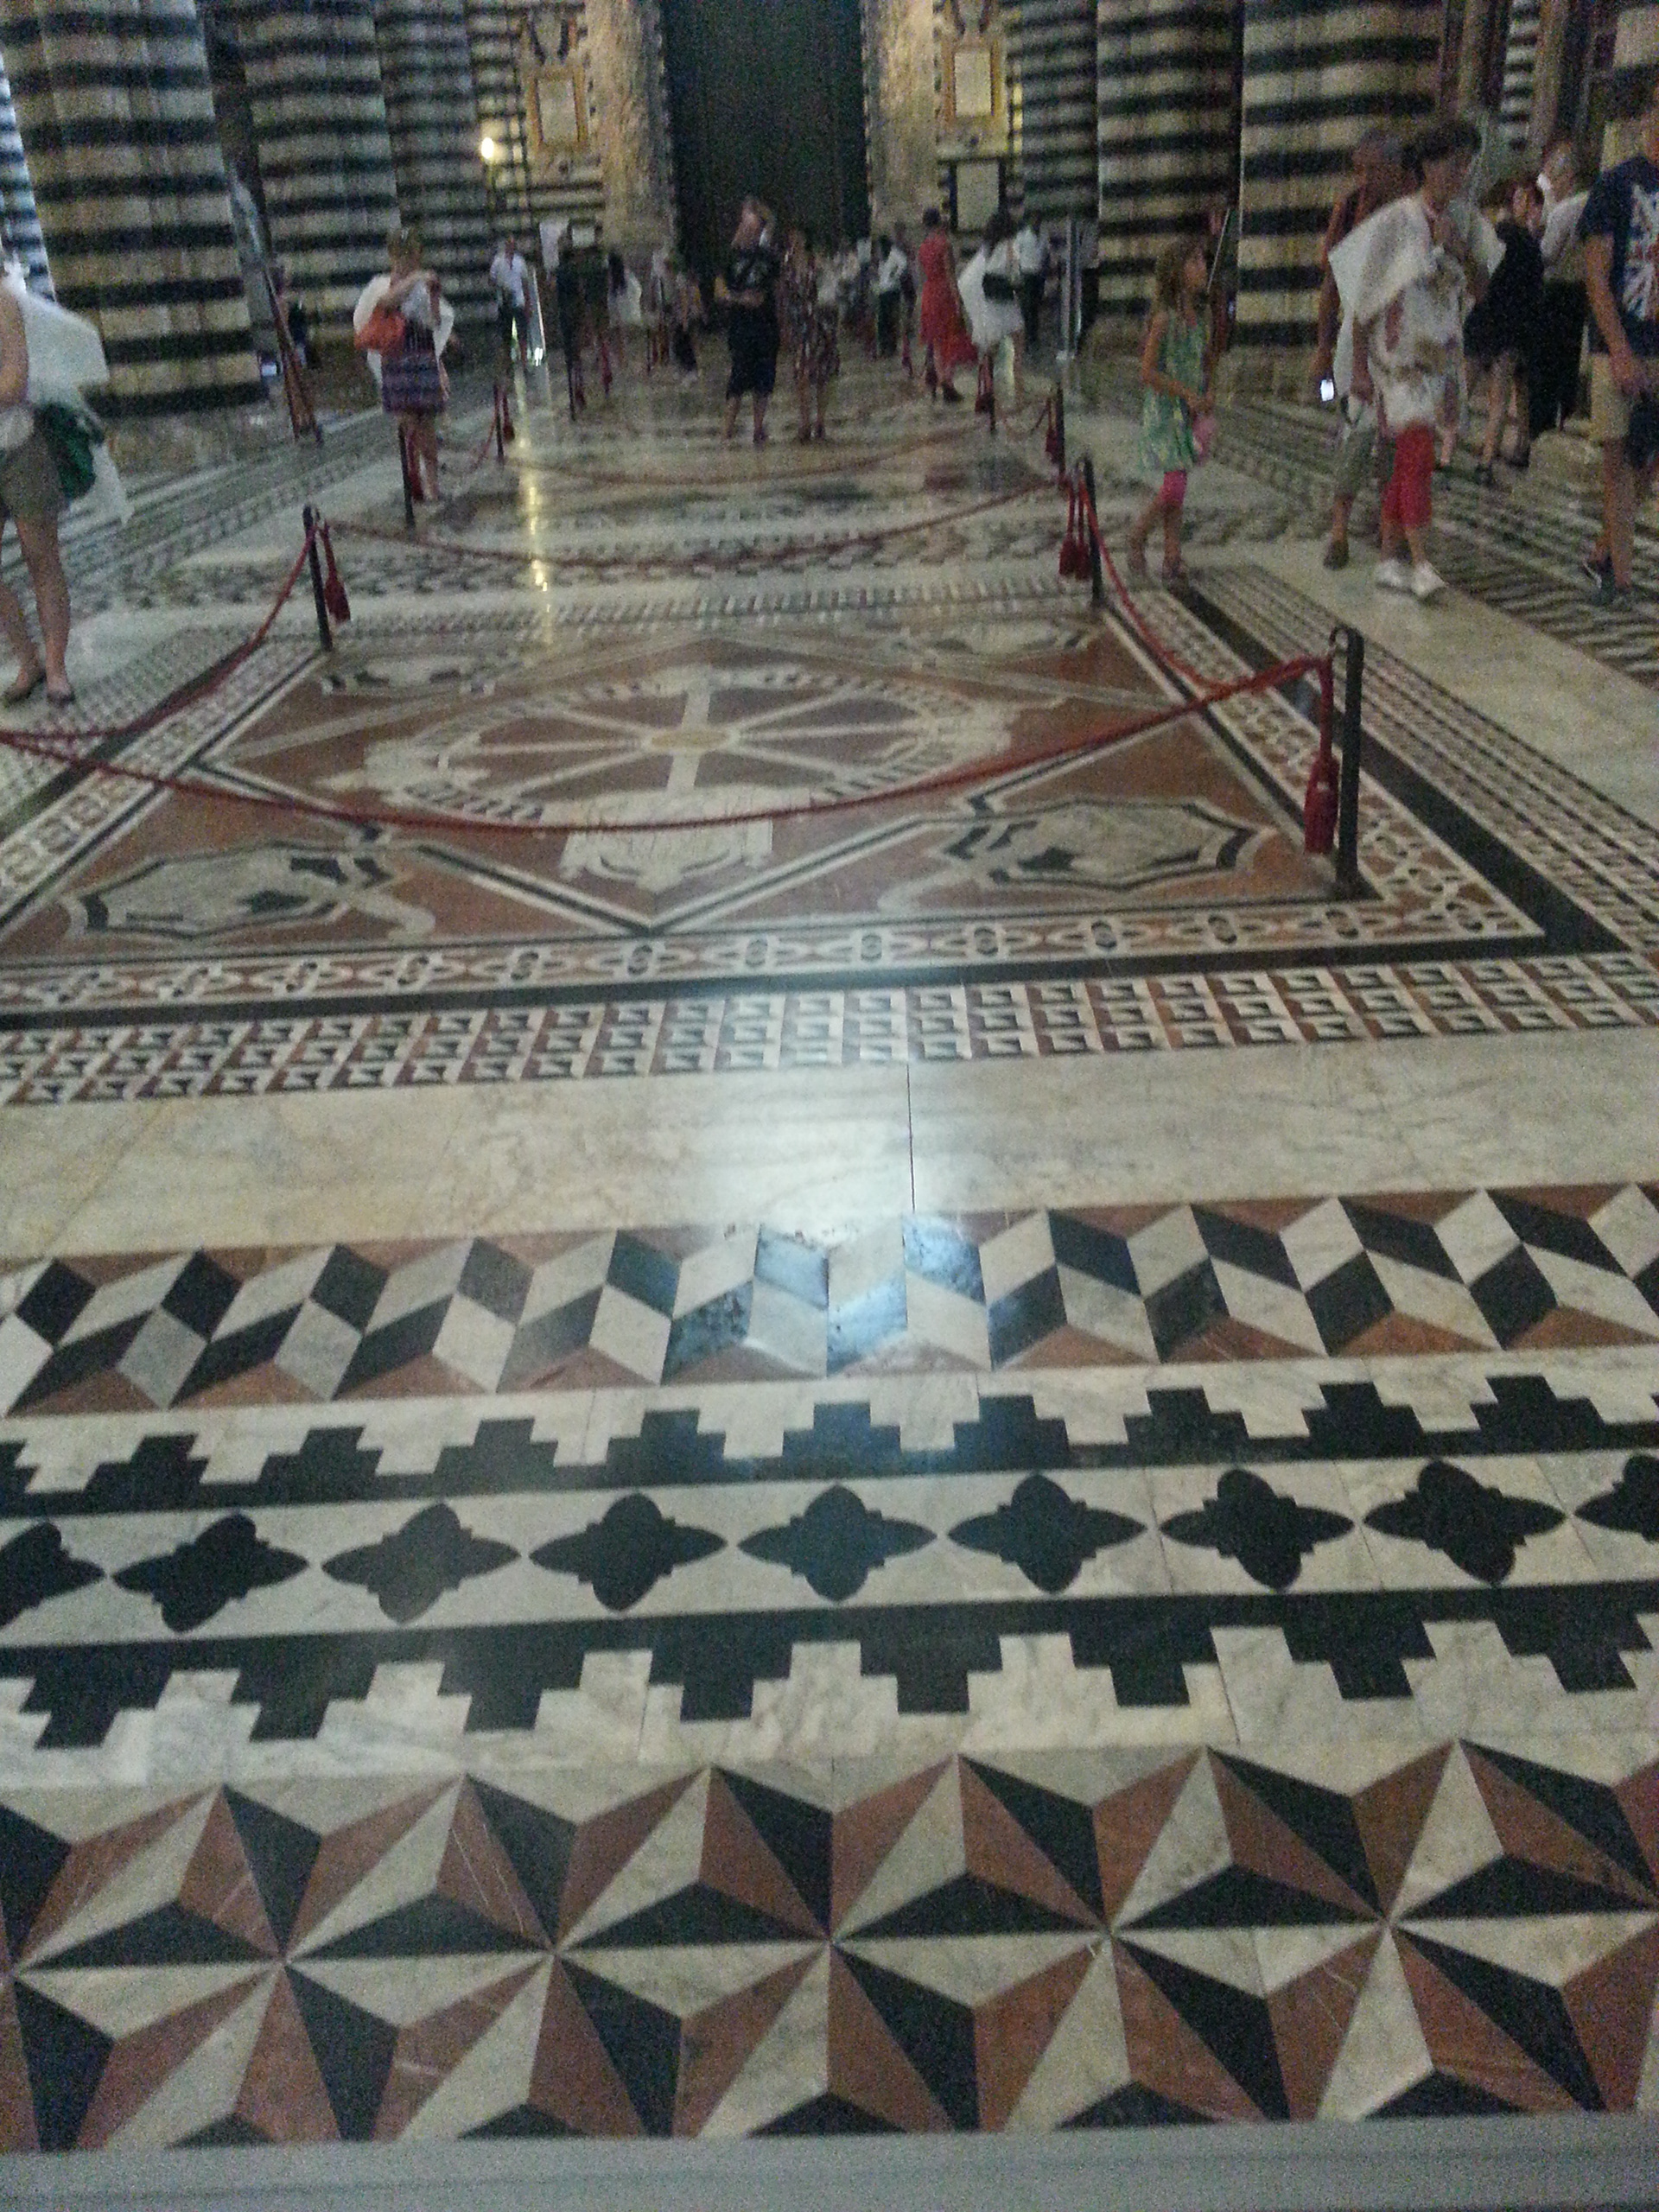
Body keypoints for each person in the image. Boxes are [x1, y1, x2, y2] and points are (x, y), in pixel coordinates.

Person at [1332, 116, 1499, 601]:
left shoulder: (1466, 220)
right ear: (1427, 164)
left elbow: (1483, 289)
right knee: (1418, 456)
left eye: (1467, 162)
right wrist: (1359, 367)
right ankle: (1421, 561)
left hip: (1441, 361)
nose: (1461, 171)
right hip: (1399, 364)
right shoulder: (1397, 221)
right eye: (1453, 161)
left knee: (1408, 461)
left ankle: (1388, 557)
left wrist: (1462, 251)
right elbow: (1364, 300)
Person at [1579, 73, 1659, 606]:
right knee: (1619, 465)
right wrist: (1621, 353)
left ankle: (1606, 549)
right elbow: (1596, 275)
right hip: (1620, 343)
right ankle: (1622, 583)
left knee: (1645, 462)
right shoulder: (1616, 185)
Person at [1318, 131, 1409, 569]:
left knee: (1396, 440)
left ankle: (1389, 526)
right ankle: (1339, 526)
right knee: (1355, 431)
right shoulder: (1352, 208)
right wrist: (1323, 348)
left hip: (1401, 343)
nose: (1365, 178)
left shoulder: (1412, 211)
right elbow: (1331, 280)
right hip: (1357, 339)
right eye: (1360, 169)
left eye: (1372, 169)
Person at [0, 276, 73, 707]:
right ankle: (28, 660)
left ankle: (57, 668)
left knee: (40, 556)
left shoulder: (3, 301)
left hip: (17, 444)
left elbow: (14, 382)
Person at [1127, 235, 1212, 582]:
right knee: (1173, 486)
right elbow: (1147, 371)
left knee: (1178, 485)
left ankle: (1172, 555)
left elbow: (1201, 363)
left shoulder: (1199, 316)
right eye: (1194, 262)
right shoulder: (1164, 319)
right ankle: (1137, 534)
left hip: (1188, 411)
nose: (1202, 267)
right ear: (1176, 272)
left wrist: (1205, 394)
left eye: (1203, 261)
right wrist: (1185, 393)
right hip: (1165, 411)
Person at [1465, 177, 1545, 484]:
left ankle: (1441, 450)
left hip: (1485, 320)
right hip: (1512, 329)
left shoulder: (1495, 237)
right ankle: (1486, 460)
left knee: (1464, 388)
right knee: (1500, 400)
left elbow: (1480, 278)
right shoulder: (1530, 245)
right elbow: (1535, 290)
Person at [378, 228, 448, 503]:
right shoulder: (389, 282)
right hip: (399, 356)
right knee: (408, 423)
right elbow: (387, 303)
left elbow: (435, 322)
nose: (410, 259)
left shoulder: (422, 282)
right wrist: (416, 277)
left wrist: (433, 297)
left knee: (427, 422)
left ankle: (432, 485)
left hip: (421, 352)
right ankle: (414, 479)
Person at [1531, 142, 1589, 436]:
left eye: (1554, 173)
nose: (1550, 180)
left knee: (1544, 367)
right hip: (1581, 294)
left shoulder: (1566, 210)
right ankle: (1564, 421)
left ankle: (1538, 433)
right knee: (1568, 364)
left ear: (1568, 176)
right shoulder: (1590, 203)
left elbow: (1548, 254)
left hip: (1557, 291)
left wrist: (1531, 235)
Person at [715, 198, 780, 444]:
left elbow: (778, 288)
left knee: (764, 380)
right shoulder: (730, 257)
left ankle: (758, 427)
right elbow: (719, 290)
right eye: (747, 228)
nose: (751, 233)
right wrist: (740, 299)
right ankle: (726, 430)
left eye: (755, 229)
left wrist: (756, 206)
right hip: (742, 327)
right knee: (738, 378)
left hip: (766, 326)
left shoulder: (767, 257)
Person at [958, 207, 1026, 405]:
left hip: (990, 305)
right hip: (1006, 303)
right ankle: (1019, 394)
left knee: (989, 353)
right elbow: (1015, 273)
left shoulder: (986, 248)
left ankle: (985, 391)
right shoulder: (1010, 245)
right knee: (1019, 347)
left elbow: (970, 279)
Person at [781, 226, 840, 440]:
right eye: (791, 237)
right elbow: (784, 294)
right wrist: (785, 324)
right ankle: (805, 421)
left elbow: (830, 289)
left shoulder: (818, 262)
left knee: (822, 374)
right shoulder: (787, 264)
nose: (794, 240)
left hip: (820, 322)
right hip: (799, 323)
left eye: (797, 236)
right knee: (801, 374)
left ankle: (820, 421)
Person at [916, 206, 975, 402]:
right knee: (953, 336)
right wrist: (958, 300)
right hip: (944, 294)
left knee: (937, 340)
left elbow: (923, 273)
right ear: (939, 222)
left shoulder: (922, 248)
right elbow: (950, 275)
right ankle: (947, 380)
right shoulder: (944, 245)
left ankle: (941, 377)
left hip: (929, 293)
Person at [550, 226, 586, 418]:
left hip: (563, 310)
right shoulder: (574, 270)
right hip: (574, 310)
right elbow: (580, 291)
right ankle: (578, 378)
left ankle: (572, 369)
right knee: (577, 344)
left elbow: (552, 288)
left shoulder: (557, 272)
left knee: (568, 347)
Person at [489, 235, 531, 368]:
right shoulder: (498, 261)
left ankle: (524, 361)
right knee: (506, 334)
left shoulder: (520, 261)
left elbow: (525, 283)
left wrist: (528, 303)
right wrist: (501, 286)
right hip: (504, 301)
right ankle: (508, 362)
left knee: (522, 333)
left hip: (519, 301)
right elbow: (491, 280)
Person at [1014, 209, 1047, 351]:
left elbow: (1047, 253)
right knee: (1027, 308)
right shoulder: (1022, 237)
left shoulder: (1044, 236)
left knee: (1035, 306)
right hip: (1026, 275)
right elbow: (1015, 256)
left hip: (1038, 275)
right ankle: (1027, 338)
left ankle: (1034, 337)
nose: (1036, 223)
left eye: (1038, 220)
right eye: (1034, 220)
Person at [875, 231, 904, 358]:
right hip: (883, 290)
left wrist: (896, 274)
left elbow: (904, 263)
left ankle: (891, 346)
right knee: (882, 320)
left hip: (892, 290)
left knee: (890, 319)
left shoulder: (894, 254)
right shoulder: (881, 257)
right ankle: (883, 346)